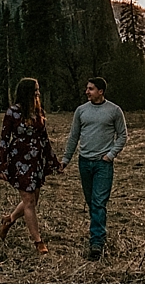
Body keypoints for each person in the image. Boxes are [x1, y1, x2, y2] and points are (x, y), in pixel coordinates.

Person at [60, 76, 128, 260]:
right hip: (84, 162)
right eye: (87, 88)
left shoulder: (114, 111)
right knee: (91, 202)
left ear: (100, 91)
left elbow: (122, 135)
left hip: (102, 164)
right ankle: (99, 230)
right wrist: (66, 159)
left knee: (98, 202)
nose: (87, 91)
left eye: (90, 89)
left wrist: (110, 155)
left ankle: (96, 243)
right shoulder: (81, 111)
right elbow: (74, 136)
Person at [0, 77, 62, 254]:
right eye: (35, 90)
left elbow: (45, 139)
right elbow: (4, 139)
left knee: (34, 199)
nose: (38, 93)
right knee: (29, 200)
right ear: (26, 92)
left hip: (37, 160)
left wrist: (54, 162)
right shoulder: (12, 112)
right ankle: (38, 241)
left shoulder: (38, 111)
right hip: (19, 160)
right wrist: (2, 166)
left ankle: (9, 220)